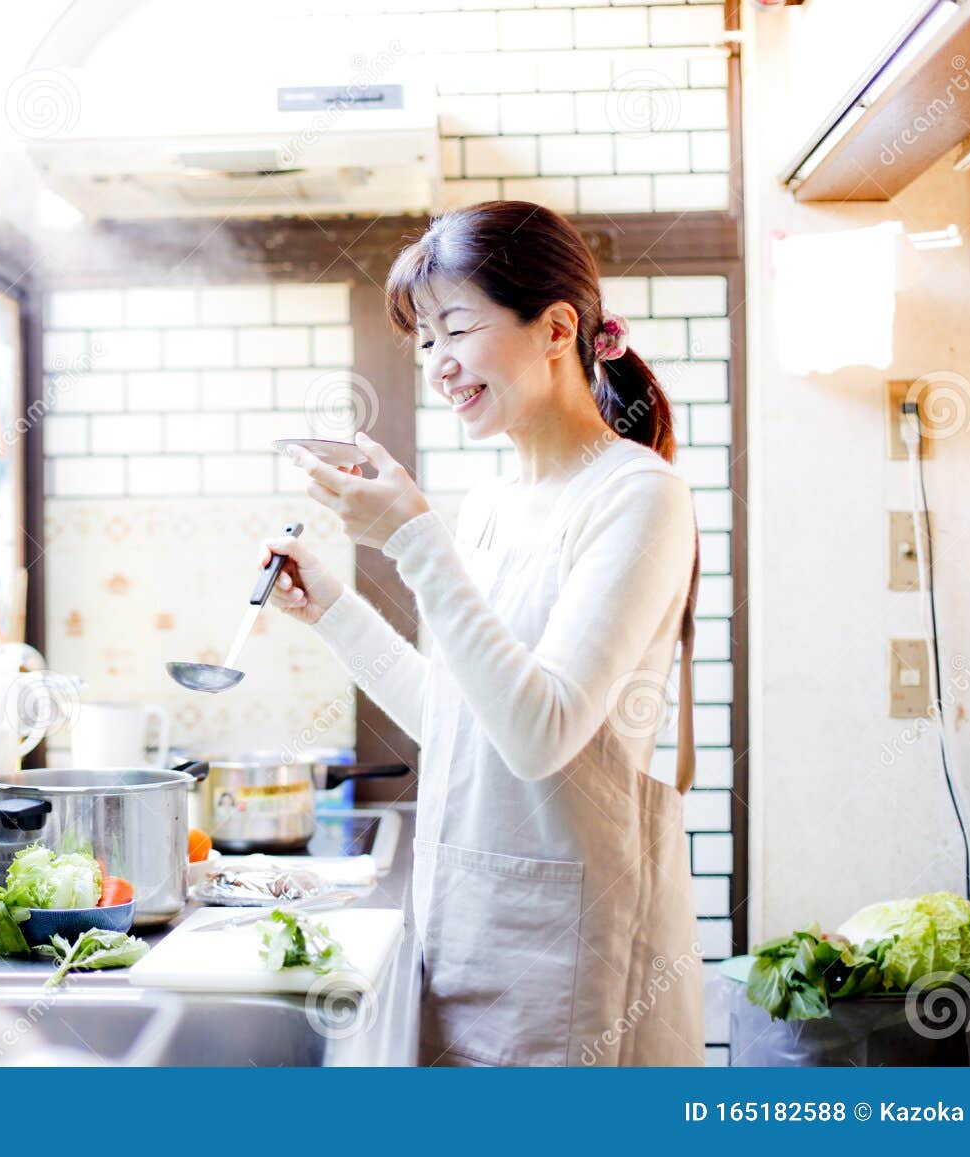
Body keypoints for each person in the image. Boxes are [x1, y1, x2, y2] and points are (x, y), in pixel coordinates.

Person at [265, 202, 705, 1066]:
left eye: (456, 329)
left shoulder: (638, 496)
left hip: (571, 957)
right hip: (465, 931)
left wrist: (411, 536)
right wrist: (334, 612)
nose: (438, 363)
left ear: (557, 329)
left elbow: (541, 734)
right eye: (424, 339)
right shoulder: (493, 505)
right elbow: (458, 720)